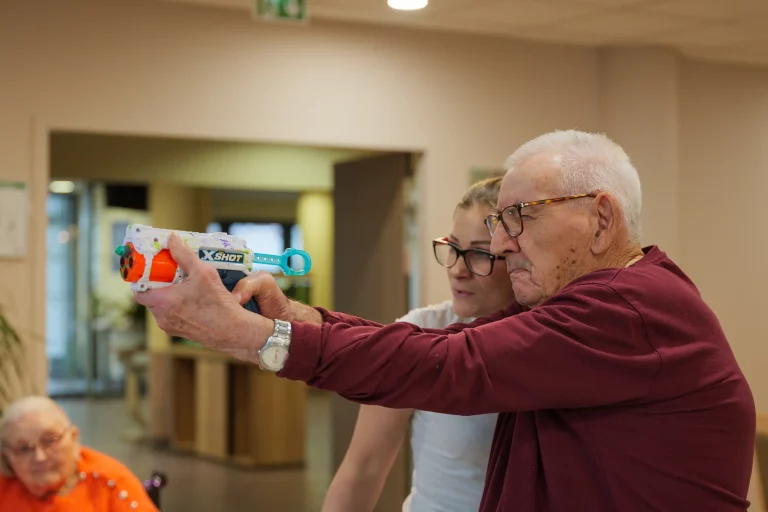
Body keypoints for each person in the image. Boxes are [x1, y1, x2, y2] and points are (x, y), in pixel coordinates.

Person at [136, 129, 755, 512]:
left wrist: (251, 334)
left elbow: (448, 365)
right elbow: (437, 343)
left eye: (521, 217)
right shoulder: (591, 304)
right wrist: (293, 318)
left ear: (600, 217)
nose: (504, 245)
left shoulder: (630, 307)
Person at [322, 177, 515, 512]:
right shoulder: (422, 331)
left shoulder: (549, 342)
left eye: (480, 254)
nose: (457, 270)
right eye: (453, 247)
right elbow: (362, 469)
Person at [0, 396, 158, 512]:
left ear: (73, 438)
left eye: (49, 441)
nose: (40, 457)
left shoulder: (110, 483)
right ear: (7, 455)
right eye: (23, 449)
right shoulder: (5, 486)